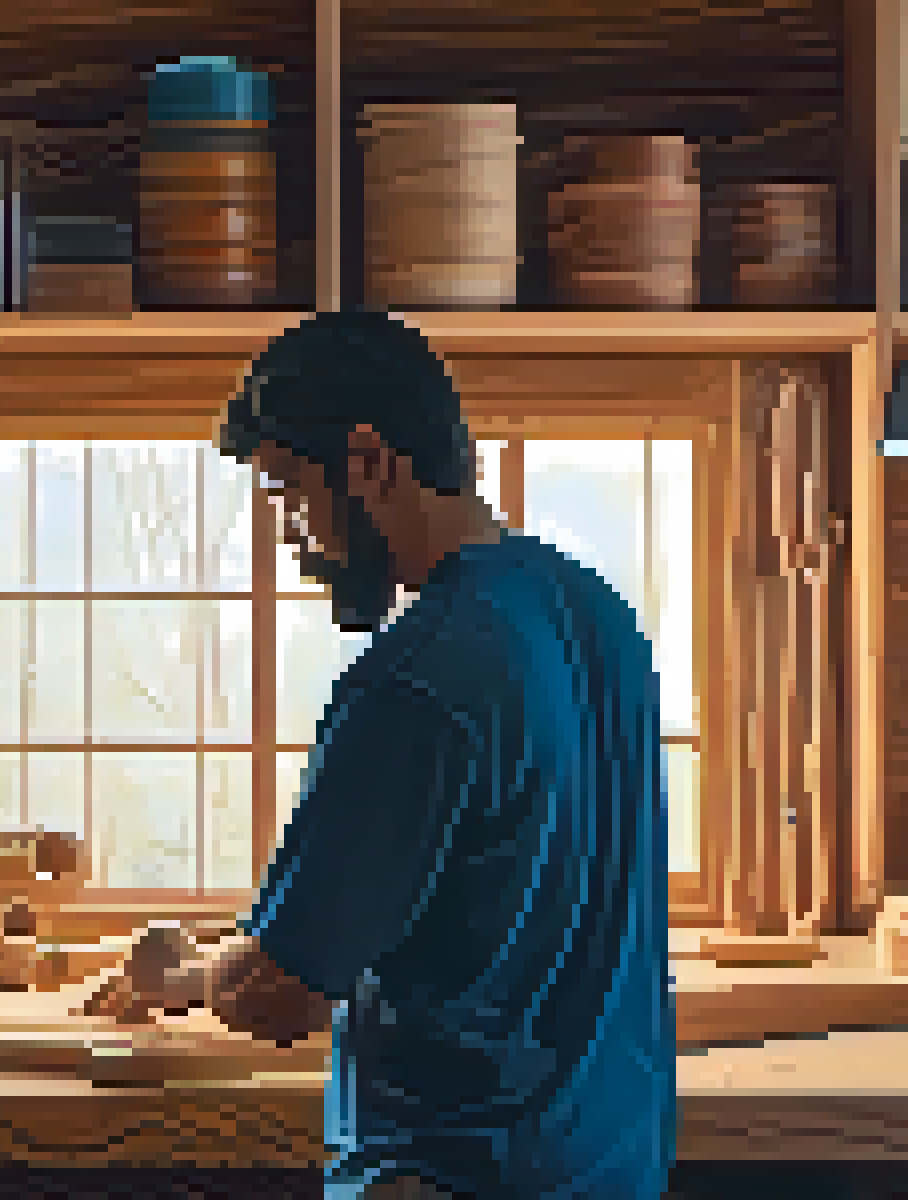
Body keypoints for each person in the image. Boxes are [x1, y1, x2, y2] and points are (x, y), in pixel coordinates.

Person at [144, 310, 677, 1200]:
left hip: (453, 1175)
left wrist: (186, 974)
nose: (293, 536)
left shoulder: (415, 682)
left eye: (289, 492)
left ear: (369, 464)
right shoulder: (601, 616)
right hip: (610, 1166)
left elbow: (283, 993)